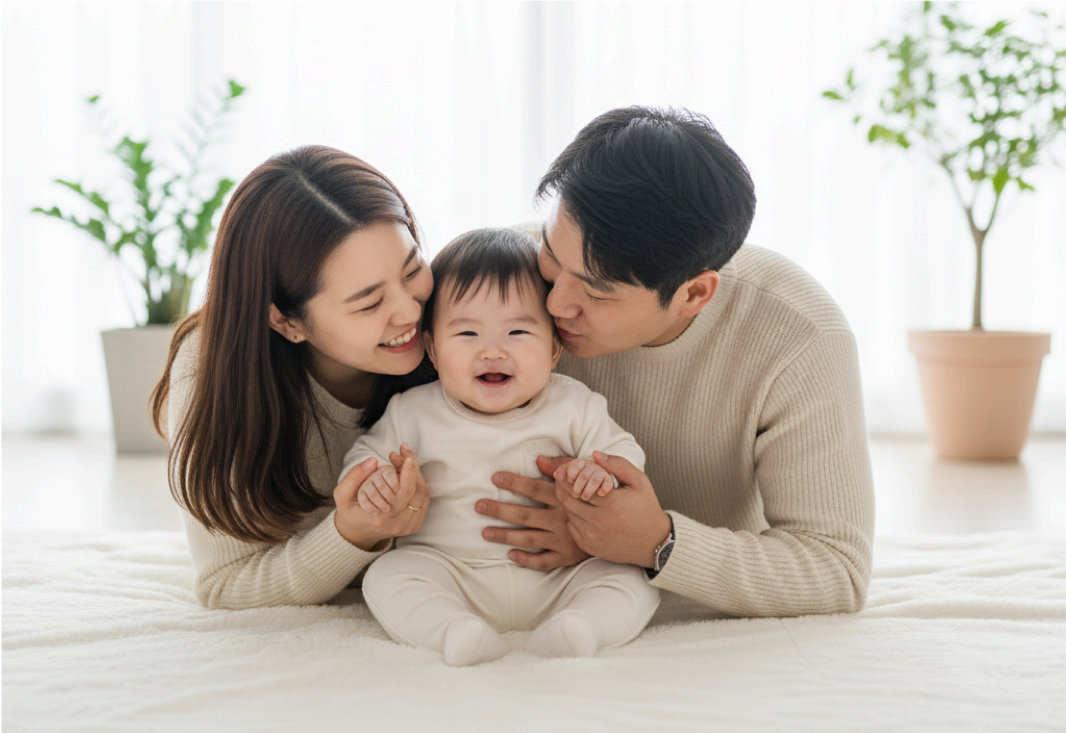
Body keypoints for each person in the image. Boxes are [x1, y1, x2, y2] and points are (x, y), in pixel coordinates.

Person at [474, 106, 876, 617]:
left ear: (694, 294)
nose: (554, 304)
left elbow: (836, 569)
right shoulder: (498, 279)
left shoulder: (799, 336)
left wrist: (655, 542)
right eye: (551, 254)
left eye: (596, 292)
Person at [343, 229, 659, 666]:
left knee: (631, 574)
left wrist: (599, 472)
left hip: (562, 574)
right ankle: (454, 630)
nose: (492, 352)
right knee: (388, 574)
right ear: (432, 348)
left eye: (517, 331)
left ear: (554, 348)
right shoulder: (411, 411)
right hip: (452, 572)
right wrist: (375, 480)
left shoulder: (574, 404)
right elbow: (366, 457)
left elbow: (623, 455)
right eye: (468, 333)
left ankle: (580, 627)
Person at [150, 145, 438, 610]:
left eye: (412, 269)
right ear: (286, 321)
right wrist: (351, 533)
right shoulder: (211, 372)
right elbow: (225, 583)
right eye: (369, 303)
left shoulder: (469, 316)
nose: (410, 311)